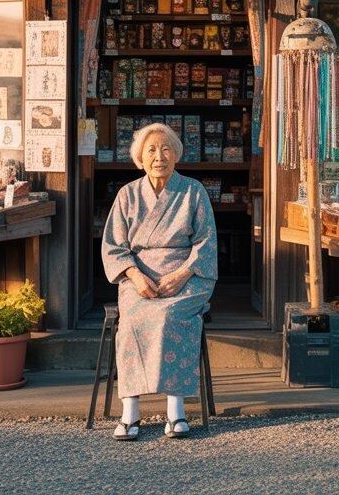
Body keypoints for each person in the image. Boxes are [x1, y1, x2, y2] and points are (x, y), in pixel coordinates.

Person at [101, 122, 218, 440]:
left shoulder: (193, 191)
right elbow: (114, 246)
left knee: (168, 316)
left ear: (176, 154)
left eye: (166, 148)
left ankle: (175, 410)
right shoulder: (128, 195)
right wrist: (135, 275)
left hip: (187, 277)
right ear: (140, 157)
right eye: (151, 150)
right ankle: (130, 412)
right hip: (139, 279)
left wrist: (183, 274)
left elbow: (206, 242)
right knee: (132, 321)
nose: (159, 156)